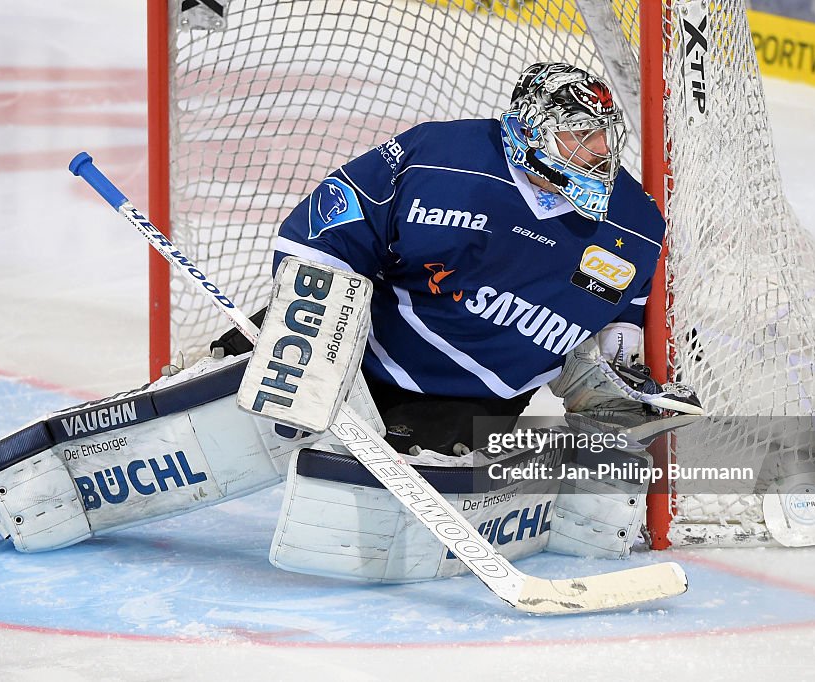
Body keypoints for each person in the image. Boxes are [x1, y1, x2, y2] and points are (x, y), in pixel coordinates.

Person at [227, 62, 670, 455]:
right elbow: (327, 229)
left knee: (408, 468)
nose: (600, 150)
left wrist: (613, 377)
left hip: (478, 394)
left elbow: (623, 323)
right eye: (578, 134)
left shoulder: (636, 223)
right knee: (240, 362)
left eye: (602, 133)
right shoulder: (439, 157)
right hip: (359, 343)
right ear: (532, 132)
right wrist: (310, 337)